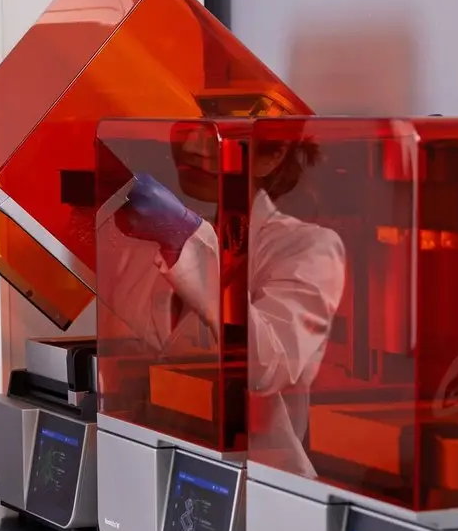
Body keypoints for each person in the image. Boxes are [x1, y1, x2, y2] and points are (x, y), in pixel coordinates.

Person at [99, 122, 346, 476]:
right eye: (188, 123)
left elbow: (267, 368)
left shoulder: (308, 248)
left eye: (216, 133)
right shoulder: (145, 240)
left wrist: (186, 241)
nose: (194, 145)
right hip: (151, 465)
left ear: (271, 158)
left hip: (257, 481)